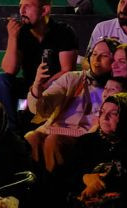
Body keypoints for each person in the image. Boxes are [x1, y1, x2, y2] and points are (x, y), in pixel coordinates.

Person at [26, 38, 117, 172]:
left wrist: (54, 131)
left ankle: (53, 185)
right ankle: (31, 181)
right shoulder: (73, 78)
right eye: (94, 54)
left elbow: (97, 130)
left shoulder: (114, 88)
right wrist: (37, 86)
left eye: (104, 56)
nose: (96, 60)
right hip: (55, 130)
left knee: (53, 141)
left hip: (84, 138)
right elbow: (40, 110)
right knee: (32, 137)